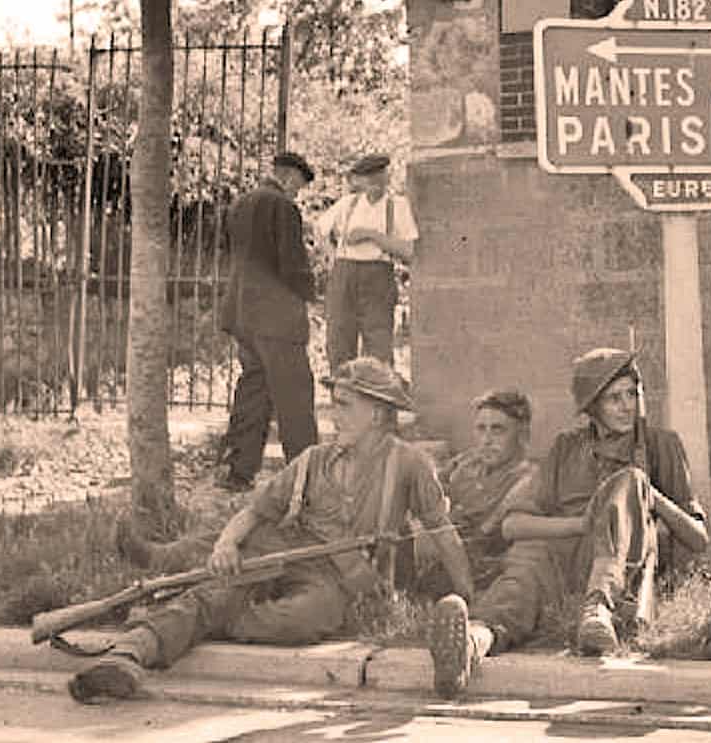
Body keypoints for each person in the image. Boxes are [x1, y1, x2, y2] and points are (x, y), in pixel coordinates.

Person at [72, 357, 475, 704]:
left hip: (339, 578)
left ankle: (192, 617)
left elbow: (442, 531)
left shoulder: (409, 464)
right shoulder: (312, 459)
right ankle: (126, 656)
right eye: (335, 405)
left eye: (345, 406)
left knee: (302, 619)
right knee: (224, 586)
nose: (335, 416)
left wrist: (468, 596)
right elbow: (254, 513)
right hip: (282, 552)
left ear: (377, 414)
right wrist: (227, 544)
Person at [425, 348, 711, 698]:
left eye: (631, 394)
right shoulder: (566, 448)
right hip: (568, 553)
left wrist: (646, 493)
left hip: (625, 564)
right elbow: (513, 524)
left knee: (629, 479)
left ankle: (598, 610)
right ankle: (472, 643)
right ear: (592, 407)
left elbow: (699, 539)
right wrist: (580, 524)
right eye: (613, 398)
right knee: (526, 567)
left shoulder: (661, 444)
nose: (626, 406)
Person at [217, 151, 320, 491]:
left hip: (242, 314)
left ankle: (237, 472)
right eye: (299, 187)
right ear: (289, 177)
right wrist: (312, 293)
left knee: (253, 391)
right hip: (276, 319)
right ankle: (307, 477)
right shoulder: (283, 207)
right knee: (295, 396)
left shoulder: (240, 204)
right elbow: (291, 263)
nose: (297, 194)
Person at [407, 390, 538, 599]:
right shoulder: (466, 463)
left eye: (498, 430)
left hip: (473, 563)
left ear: (522, 435)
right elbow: (425, 494)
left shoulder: (527, 480)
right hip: (432, 544)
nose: (486, 440)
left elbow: (487, 537)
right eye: (481, 429)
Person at [314, 153, 418, 371]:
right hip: (344, 276)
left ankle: (377, 403)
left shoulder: (397, 205)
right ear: (360, 181)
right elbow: (319, 229)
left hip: (378, 277)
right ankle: (343, 401)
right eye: (369, 180)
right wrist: (332, 255)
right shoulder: (347, 204)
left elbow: (408, 252)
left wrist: (371, 235)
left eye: (380, 178)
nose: (375, 185)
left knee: (378, 349)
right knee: (339, 343)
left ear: (387, 178)